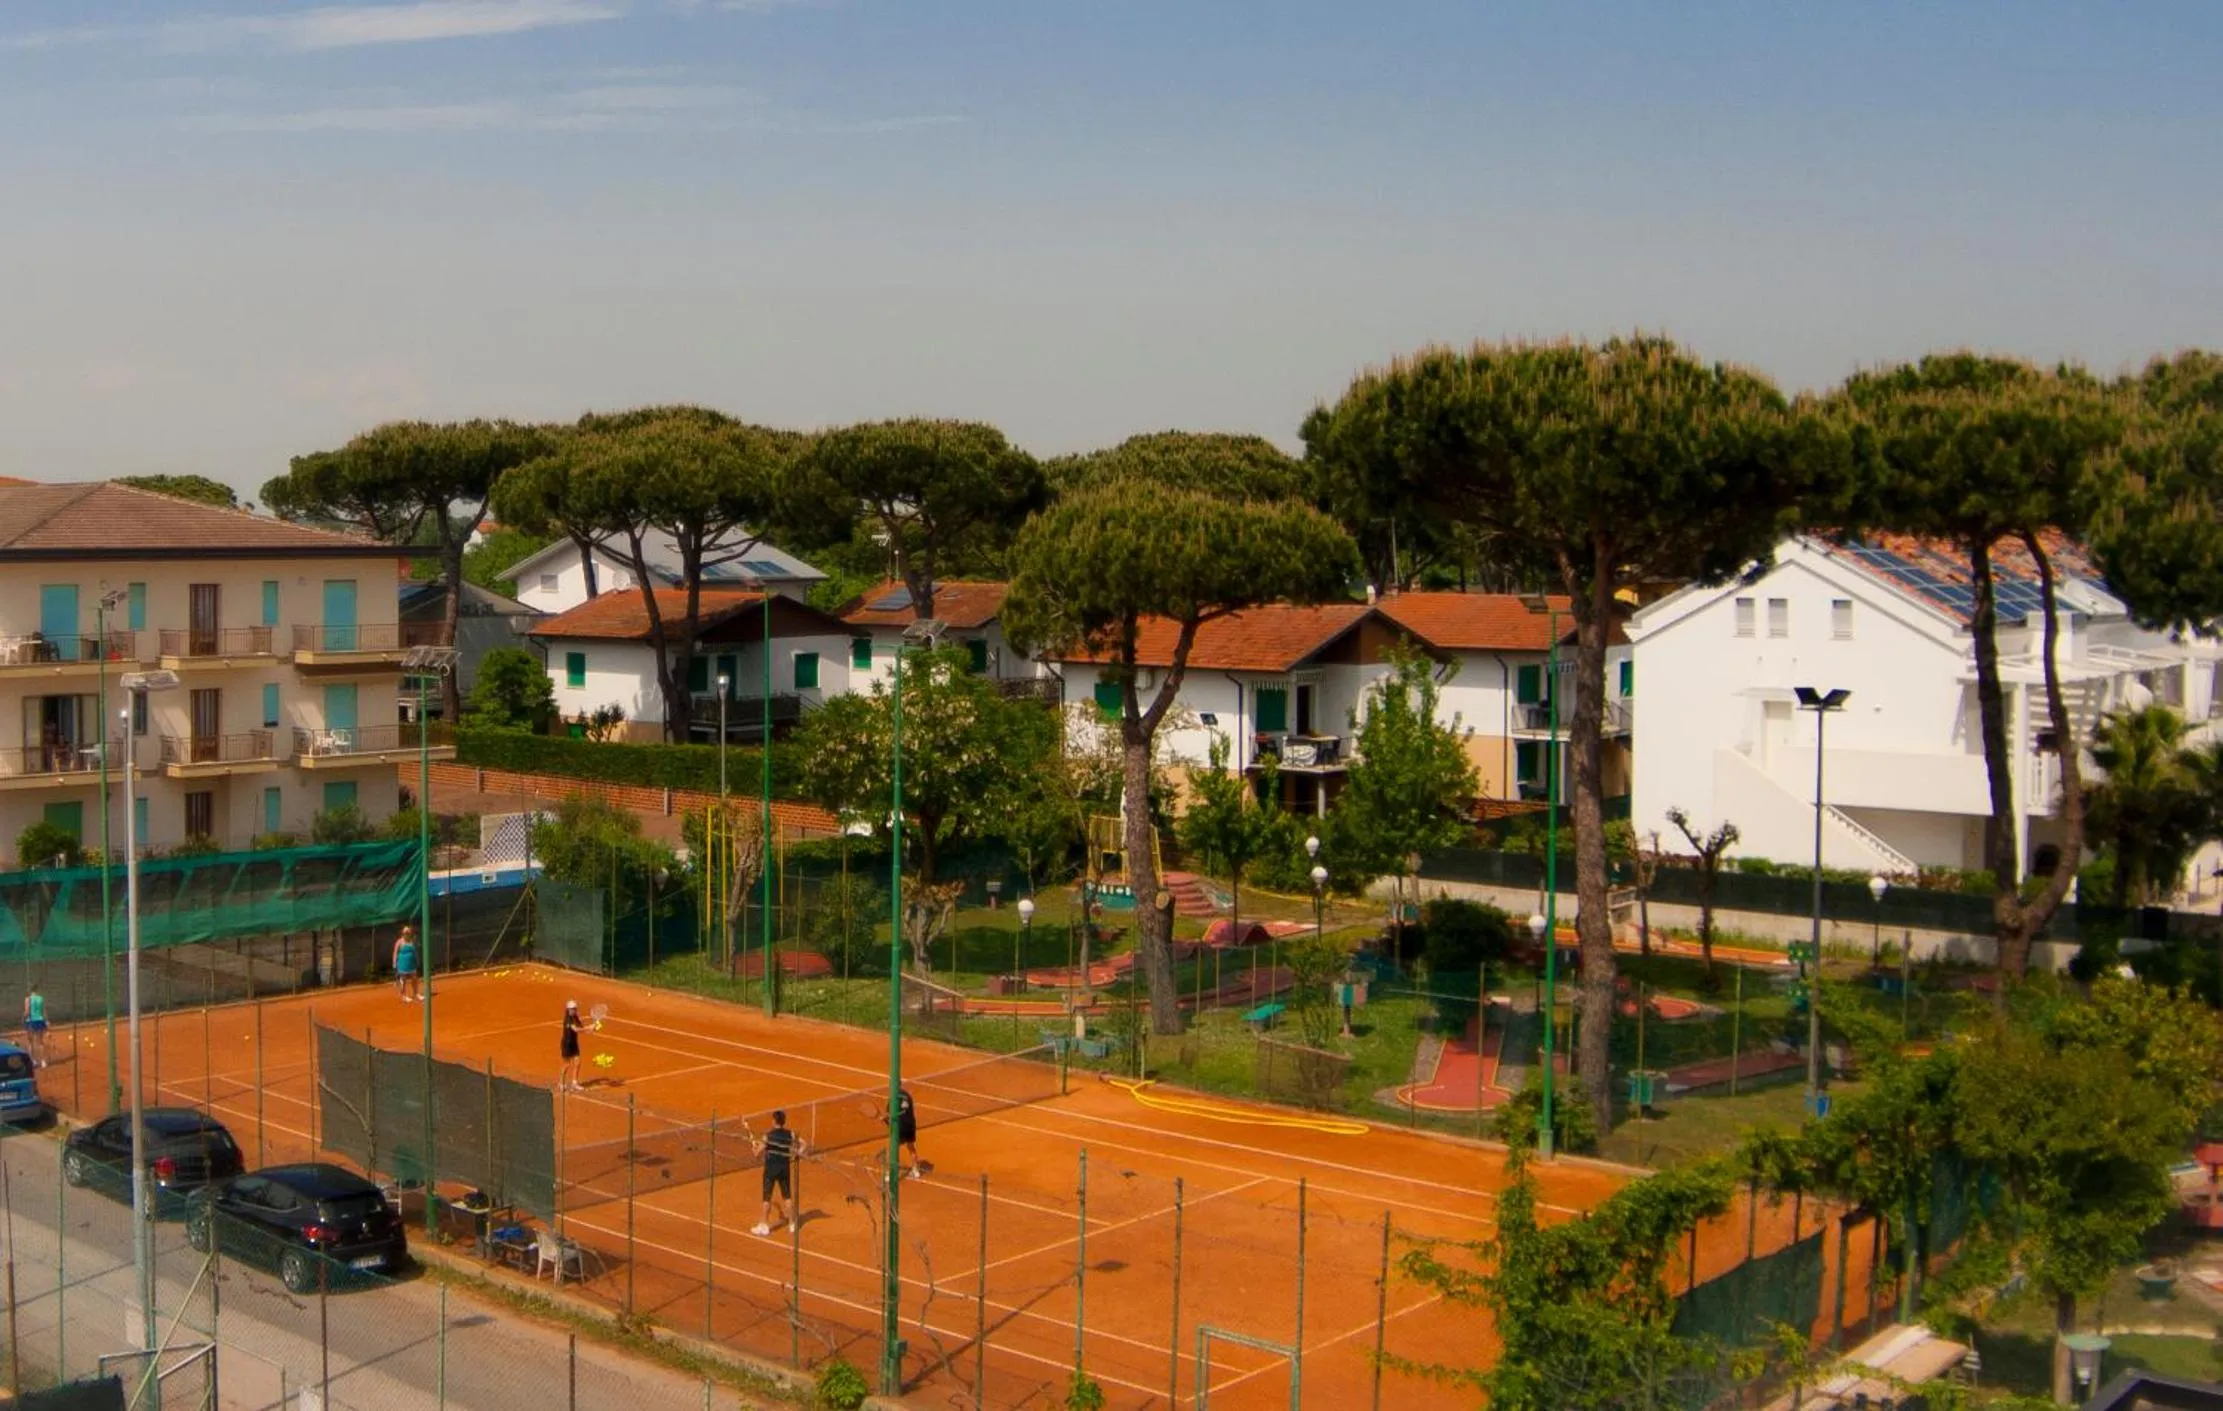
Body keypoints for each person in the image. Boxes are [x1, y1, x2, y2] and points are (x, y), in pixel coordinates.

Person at [751, 1110, 804, 1235]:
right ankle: (792, 1224)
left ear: (774, 1121)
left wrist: (754, 1148)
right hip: (784, 1168)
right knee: (787, 1196)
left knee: (767, 1197)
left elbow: (757, 1153)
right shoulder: (790, 1134)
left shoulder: (768, 1136)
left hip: (770, 1170)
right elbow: (803, 1144)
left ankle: (764, 1225)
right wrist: (796, 1154)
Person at [392, 925, 422, 1003]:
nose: (406, 933)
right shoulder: (399, 941)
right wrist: (394, 963)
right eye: (405, 932)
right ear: (402, 933)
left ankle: (416, 994)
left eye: (408, 932)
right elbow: (395, 953)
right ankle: (404, 996)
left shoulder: (412, 941)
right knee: (403, 980)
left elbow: (415, 952)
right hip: (402, 964)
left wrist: (417, 960)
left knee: (414, 978)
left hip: (411, 963)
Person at [559, 1000, 583, 1091]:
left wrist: (591, 1029)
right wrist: (589, 1028)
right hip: (567, 1044)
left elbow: (580, 1027)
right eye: (572, 1009)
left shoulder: (575, 1017)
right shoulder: (568, 1019)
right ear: (568, 1010)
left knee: (578, 1063)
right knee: (567, 1065)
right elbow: (576, 1030)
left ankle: (574, 1083)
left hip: (574, 1043)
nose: (574, 1010)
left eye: (575, 1008)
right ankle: (561, 1083)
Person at [22, 985, 48, 1068]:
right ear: (37, 990)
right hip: (40, 1021)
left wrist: (23, 1016)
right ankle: (43, 1062)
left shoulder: (28, 999)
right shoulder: (41, 998)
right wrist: (47, 1021)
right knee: (40, 1042)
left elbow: (27, 1012)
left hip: (31, 1022)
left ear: (30, 990)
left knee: (30, 1042)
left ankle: (33, 1061)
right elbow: (44, 1011)